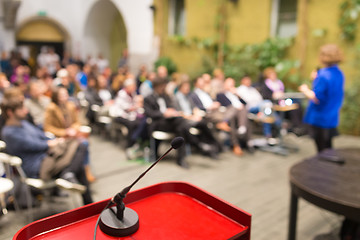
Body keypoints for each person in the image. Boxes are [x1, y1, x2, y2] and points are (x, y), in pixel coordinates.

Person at [1, 96, 93, 205]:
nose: (26, 111)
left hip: (48, 156)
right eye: (21, 109)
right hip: (38, 167)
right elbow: (32, 145)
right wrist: (49, 144)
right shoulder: (9, 133)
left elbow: (41, 135)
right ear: (10, 112)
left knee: (79, 144)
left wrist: (54, 140)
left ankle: (69, 174)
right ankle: (72, 179)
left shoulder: (24, 123)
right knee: (80, 147)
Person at [43, 86, 96, 183]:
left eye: (66, 94)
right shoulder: (51, 108)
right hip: (60, 138)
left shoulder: (70, 105)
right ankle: (74, 172)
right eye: (62, 95)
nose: (65, 97)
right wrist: (65, 132)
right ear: (56, 97)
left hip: (73, 135)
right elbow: (48, 127)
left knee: (84, 143)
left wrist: (73, 129)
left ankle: (85, 170)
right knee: (82, 145)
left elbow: (77, 122)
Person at [299, 44, 345, 153]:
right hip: (332, 114)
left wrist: (305, 89)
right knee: (328, 145)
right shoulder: (339, 73)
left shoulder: (323, 74)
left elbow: (316, 98)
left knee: (321, 148)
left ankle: (323, 168)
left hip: (319, 117)